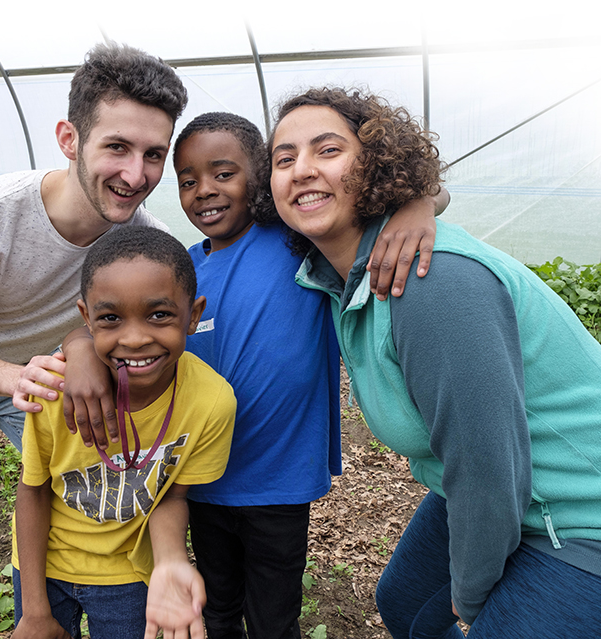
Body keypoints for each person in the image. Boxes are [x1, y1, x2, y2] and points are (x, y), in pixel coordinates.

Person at [59, 111, 446, 639]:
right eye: (188, 180)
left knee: (273, 615)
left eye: (224, 173)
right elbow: (111, 321)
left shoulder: (296, 241)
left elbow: (406, 203)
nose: (204, 192)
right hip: (197, 480)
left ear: (262, 177)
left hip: (278, 483)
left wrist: (417, 207)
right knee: (217, 607)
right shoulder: (178, 270)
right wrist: (78, 346)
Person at [268, 87, 601, 638]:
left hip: (576, 514)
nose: (301, 169)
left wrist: (472, 599)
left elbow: (488, 470)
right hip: (496, 491)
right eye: (284, 159)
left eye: (327, 151)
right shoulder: (341, 274)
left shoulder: (430, 281)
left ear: (375, 166)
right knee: (403, 602)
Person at [0, 42, 188, 630]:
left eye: (154, 154)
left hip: (44, 369)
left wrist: (79, 347)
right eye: (117, 147)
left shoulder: (144, 241)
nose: (137, 175)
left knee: (105, 486)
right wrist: (26, 372)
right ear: (69, 139)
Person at [12, 226, 236, 639]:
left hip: (128, 576)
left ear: (194, 315)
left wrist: (171, 560)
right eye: (111, 318)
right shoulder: (55, 392)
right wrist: (35, 610)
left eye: (160, 314)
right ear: (87, 318)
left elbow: (172, 495)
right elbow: (33, 491)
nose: (134, 339)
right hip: (45, 567)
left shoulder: (211, 402)